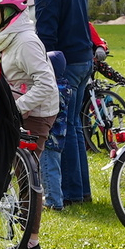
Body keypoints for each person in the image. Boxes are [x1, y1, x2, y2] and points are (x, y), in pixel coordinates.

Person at [0, 0, 57, 249]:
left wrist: (15, 109)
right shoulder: (3, 36)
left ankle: (30, 242)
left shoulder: (25, 42)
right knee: (7, 166)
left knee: (25, 175)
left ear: (8, 11)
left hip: (37, 112)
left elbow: (46, 85)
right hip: (16, 107)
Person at [21, 0, 91, 205]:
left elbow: (46, 33)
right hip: (83, 57)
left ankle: (69, 192)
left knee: (60, 128)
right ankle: (80, 190)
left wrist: (42, 65)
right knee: (74, 126)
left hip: (65, 61)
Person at [41, 51, 72, 211]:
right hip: (59, 136)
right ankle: (53, 197)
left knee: (48, 168)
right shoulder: (65, 85)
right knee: (52, 168)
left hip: (51, 137)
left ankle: (54, 201)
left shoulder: (55, 89)